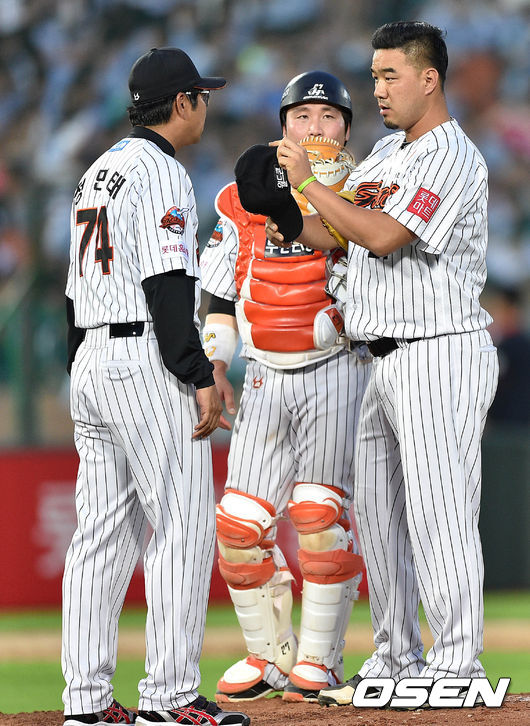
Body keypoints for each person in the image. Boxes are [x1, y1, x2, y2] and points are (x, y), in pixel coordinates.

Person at [266, 22, 499, 706]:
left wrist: (309, 183)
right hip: (379, 357)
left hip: (438, 351)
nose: (378, 89)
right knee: (381, 520)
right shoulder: (387, 151)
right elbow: (340, 234)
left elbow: (386, 236)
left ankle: (458, 665)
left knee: (439, 515)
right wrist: (284, 211)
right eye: (374, 77)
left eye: (390, 75)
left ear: (430, 79)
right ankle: (397, 658)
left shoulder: (452, 156)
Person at [62, 47, 250, 726]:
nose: (206, 105)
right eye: (201, 95)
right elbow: (168, 285)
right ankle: (170, 699)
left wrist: (85, 371)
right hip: (145, 357)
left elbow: (72, 292)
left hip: (92, 356)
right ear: (180, 104)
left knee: (99, 540)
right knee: (182, 528)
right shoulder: (163, 171)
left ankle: (85, 705)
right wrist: (197, 373)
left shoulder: (98, 170)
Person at [199, 71, 372, 704]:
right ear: (283, 127)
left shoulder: (367, 189)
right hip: (264, 376)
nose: (315, 127)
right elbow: (220, 290)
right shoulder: (241, 194)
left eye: (329, 117)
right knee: (238, 525)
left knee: (319, 517)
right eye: (302, 116)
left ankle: (320, 660)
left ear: (347, 130)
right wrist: (215, 361)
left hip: (337, 369)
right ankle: (267, 656)